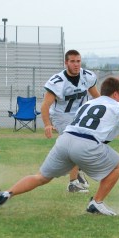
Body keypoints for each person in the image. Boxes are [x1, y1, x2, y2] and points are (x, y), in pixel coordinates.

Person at [0, 77, 119, 215]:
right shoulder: (118, 107)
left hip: (65, 139)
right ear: (116, 94)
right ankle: (97, 202)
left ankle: (6, 194)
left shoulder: (88, 103)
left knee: (41, 177)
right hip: (86, 144)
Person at [41, 49, 100, 193]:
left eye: (78, 61)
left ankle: (78, 171)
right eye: (72, 61)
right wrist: (47, 124)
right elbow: (45, 105)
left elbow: (97, 97)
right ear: (66, 62)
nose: (76, 64)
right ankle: (73, 182)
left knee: (88, 144)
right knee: (74, 145)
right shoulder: (58, 81)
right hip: (62, 116)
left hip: (81, 115)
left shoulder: (87, 76)